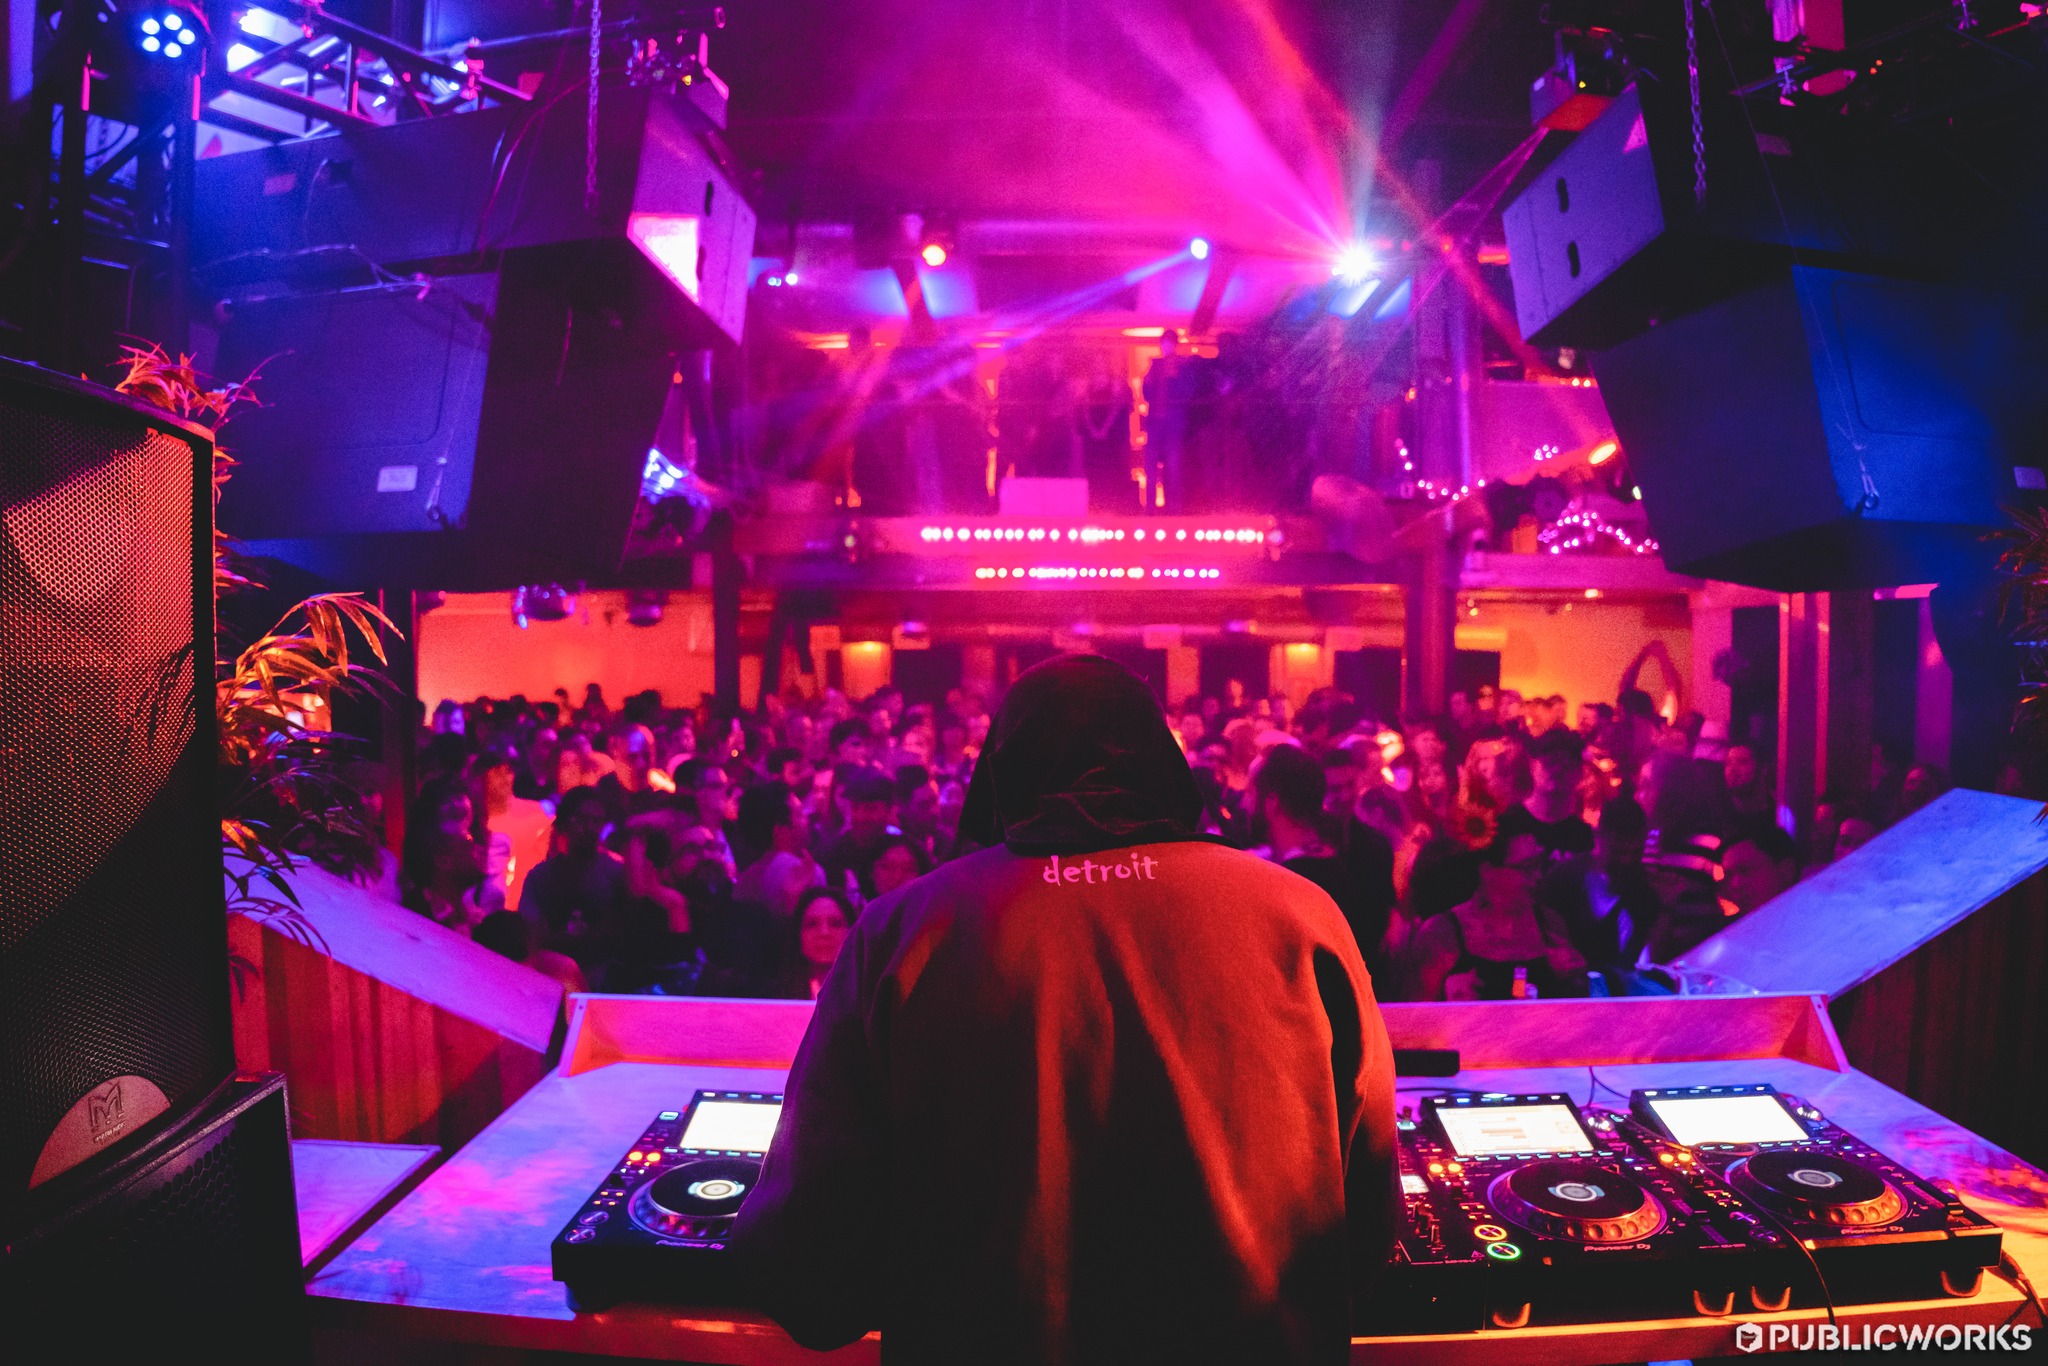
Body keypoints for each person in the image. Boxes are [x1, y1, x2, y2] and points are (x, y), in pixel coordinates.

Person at [735, 654, 1398, 1364]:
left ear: (1002, 772)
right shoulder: (1302, 918)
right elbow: (1363, 1226)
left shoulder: (904, 932)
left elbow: (808, 1259)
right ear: (1165, 767)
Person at [1252, 745, 1389, 983]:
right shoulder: (1328, 864)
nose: (1245, 804)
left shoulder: (1291, 882)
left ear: (1272, 803)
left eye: (1249, 793)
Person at [520, 786, 629, 971]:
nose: (590, 829)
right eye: (582, 820)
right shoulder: (540, 876)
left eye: (596, 821)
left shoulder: (616, 873)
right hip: (550, 974)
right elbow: (531, 933)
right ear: (565, 823)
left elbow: (623, 931)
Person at [733, 781, 825, 922]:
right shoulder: (804, 873)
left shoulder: (744, 881)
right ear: (780, 831)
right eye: (799, 814)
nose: (807, 819)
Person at [776, 888, 857, 1000]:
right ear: (798, 934)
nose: (824, 933)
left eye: (835, 924)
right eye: (812, 924)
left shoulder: (871, 998)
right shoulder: (772, 996)